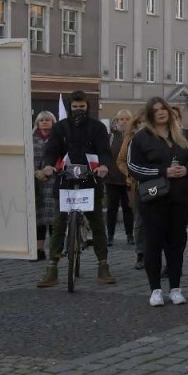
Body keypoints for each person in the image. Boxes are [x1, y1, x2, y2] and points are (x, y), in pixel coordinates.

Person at [127, 96, 188, 306]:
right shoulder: (141, 138)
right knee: (153, 243)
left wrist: (186, 170)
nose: (161, 112)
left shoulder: (182, 134)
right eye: (156, 110)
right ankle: (156, 290)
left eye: (163, 109)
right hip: (153, 199)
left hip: (180, 198)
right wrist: (163, 172)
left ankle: (175, 288)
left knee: (176, 244)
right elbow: (134, 167)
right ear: (150, 114)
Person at [38, 91, 116, 288]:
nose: (78, 110)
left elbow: (104, 151)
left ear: (87, 107)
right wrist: (48, 166)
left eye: (82, 107)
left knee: (97, 224)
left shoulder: (97, 127)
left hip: (91, 179)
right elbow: (51, 150)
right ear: (70, 107)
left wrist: (104, 166)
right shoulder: (60, 127)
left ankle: (103, 265)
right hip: (65, 180)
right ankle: (52, 268)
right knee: (59, 224)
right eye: (75, 107)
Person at [116, 112, 146, 269]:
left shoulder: (160, 136)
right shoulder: (130, 137)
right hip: (137, 185)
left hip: (158, 184)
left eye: (145, 121)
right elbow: (121, 160)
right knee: (140, 220)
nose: (143, 124)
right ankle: (141, 254)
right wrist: (129, 174)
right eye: (140, 122)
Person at [105, 109, 136, 250]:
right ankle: (110, 235)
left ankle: (130, 234)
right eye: (121, 119)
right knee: (111, 208)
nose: (124, 121)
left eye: (127, 119)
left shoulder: (135, 137)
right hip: (112, 179)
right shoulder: (110, 137)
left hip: (129, 179)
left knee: (128, 208)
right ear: (116, 121)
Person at [32, 111, 58, 263]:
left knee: (54, 218)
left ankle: (54, 251)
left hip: (53, 180)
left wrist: (51, 170)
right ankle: (39, 250)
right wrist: (36, 172)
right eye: (41, 120)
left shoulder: (58, 138)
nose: (44, 122)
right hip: (36, 183)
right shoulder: (31, 139)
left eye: (47, 120)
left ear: (53, 122)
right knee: (38, 219)